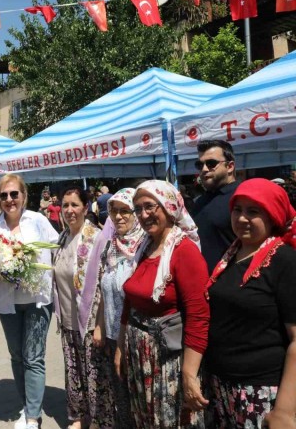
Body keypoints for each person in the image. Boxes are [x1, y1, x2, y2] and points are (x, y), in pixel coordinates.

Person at [115, 180, 209, 428]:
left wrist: (189, 376)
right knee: (144, 419)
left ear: (168, 206)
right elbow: (129, 301)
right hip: (139, 354)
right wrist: (121, 348)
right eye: (138, 209)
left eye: (150, 207)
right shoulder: (142, 247)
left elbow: (198, 317)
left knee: (168, 421)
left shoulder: (184, 251)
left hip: (167, 360)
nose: (144, 215)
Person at [203, 179, 296, 428]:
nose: (242, 218)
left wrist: (285, 411)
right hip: (222, 385)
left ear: (273, 214)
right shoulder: (231, 253)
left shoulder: (285, 261)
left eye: (253, 211)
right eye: (237, 210)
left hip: (261, 391)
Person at [0, 174, 59, 429]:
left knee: (34, 358)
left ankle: (32, 416)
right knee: (17, 356)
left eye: (14, 194)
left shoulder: (38, 221)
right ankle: (26, 404)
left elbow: (57, 248)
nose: (9, 200)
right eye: (4, 195)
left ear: (24, 196)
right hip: (8, 303)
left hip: (38, 300)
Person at [52, 185, 103, 429]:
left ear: (85, 207)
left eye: (74, 205)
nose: (69, 210)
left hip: (90, 322)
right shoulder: (62, 238)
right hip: (67, 319)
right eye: (65, 205)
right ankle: (78, 416)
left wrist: (100, 324)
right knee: (74, 371)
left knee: (92, 373)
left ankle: (97, 419)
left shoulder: (96, 237)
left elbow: (103, 283)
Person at [96, 188, 145, 428]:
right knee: (121, 398)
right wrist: (100, 326)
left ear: (136, 213)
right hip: (112, 336)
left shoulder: (144, 248)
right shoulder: (110, 247)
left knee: (139, 400)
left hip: (136, 339)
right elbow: (104, 290)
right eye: (114, 211)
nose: (118, 217)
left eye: (125, 211)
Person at [191, 140, 239, 273]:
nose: (204, 169)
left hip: (232, 285)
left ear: (230, 166)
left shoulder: (242, 197)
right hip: (201, 284)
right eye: (199, 165)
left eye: (211, 163)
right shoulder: (200, 201)